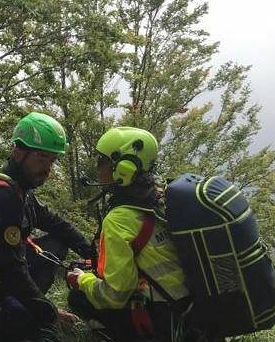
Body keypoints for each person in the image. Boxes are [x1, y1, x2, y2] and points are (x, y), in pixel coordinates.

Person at [0, 112, 95, 342]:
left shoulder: (16, 188)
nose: (48, 169)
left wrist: (92, 251)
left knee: (56, 243)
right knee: (39, 326)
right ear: (18, 152)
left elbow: (54, 222)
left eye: (52, 161)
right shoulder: (2, 197)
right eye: (42, 159)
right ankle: (10, 320)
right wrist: (50, 313)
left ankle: (19, 313)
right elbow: (13, 271)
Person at [65, 126, 196, 342]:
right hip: (190, 308)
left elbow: (115, 296)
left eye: (102, 162)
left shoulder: (119, 220)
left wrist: (83, 280)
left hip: (164, 319)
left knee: (78, 297)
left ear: (123, 168)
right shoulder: (161, 198)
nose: (97, 169)